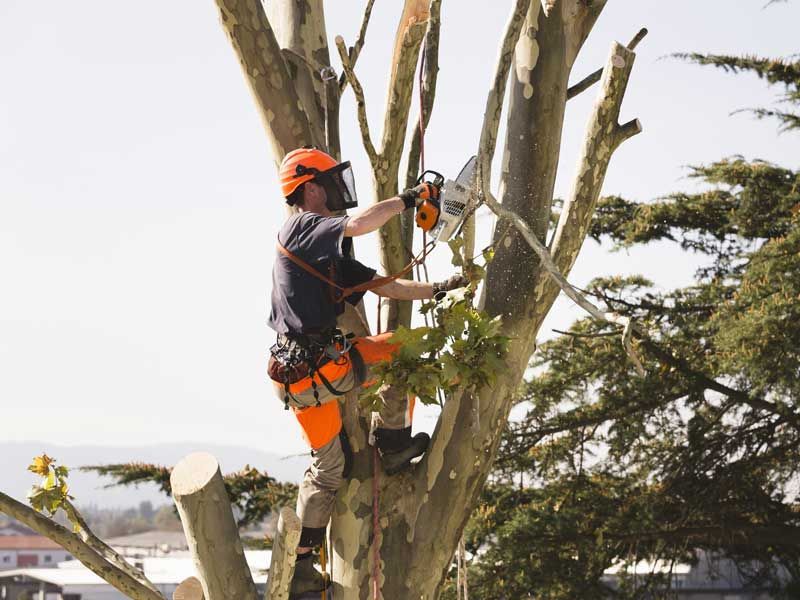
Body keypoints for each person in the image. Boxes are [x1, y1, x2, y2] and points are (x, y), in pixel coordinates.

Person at [266, 146, 467, 596]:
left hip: (297, 380)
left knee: (328, 468)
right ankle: (394, 440)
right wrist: (411, 198)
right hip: (319, 369)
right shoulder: (302, 228)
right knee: (401, 352)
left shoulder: (323, 255)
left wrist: (441, 288)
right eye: (331, 184)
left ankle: (299, 567)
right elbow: (357, 224)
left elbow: (387, 285)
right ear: (311, 187)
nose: (339, 193)